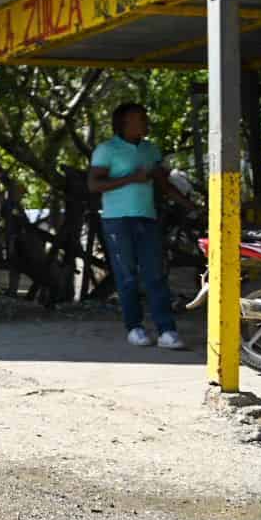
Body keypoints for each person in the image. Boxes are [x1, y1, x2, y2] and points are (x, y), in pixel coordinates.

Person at [89, 102, 192, 349]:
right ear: (124, 123)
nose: (146, 123)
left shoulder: (150, 150)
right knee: (127, 277)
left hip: (147, 217)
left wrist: (188, 204)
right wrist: (131, 178)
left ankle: (167, 331)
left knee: (155, 275)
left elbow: (161, 183)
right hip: (117, 220)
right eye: (141, 119)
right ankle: (134, 328)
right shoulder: (107, 150)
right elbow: (94, 184)